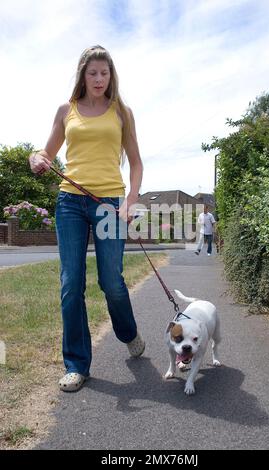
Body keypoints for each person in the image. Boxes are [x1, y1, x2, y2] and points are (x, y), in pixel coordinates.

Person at [29, 45, 144, 392]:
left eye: (104, 73)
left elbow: (136, 163)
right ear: (83, 75)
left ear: (111, 76)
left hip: (109, 202)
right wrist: (37, 159)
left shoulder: (121, 112)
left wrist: (130, 202)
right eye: (92, 73)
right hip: (69, 202)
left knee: (111, 281)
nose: (98, 79)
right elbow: (44, 153)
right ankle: (77, 364)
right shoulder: (67, 110)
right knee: (70, 283)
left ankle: (128, 332)